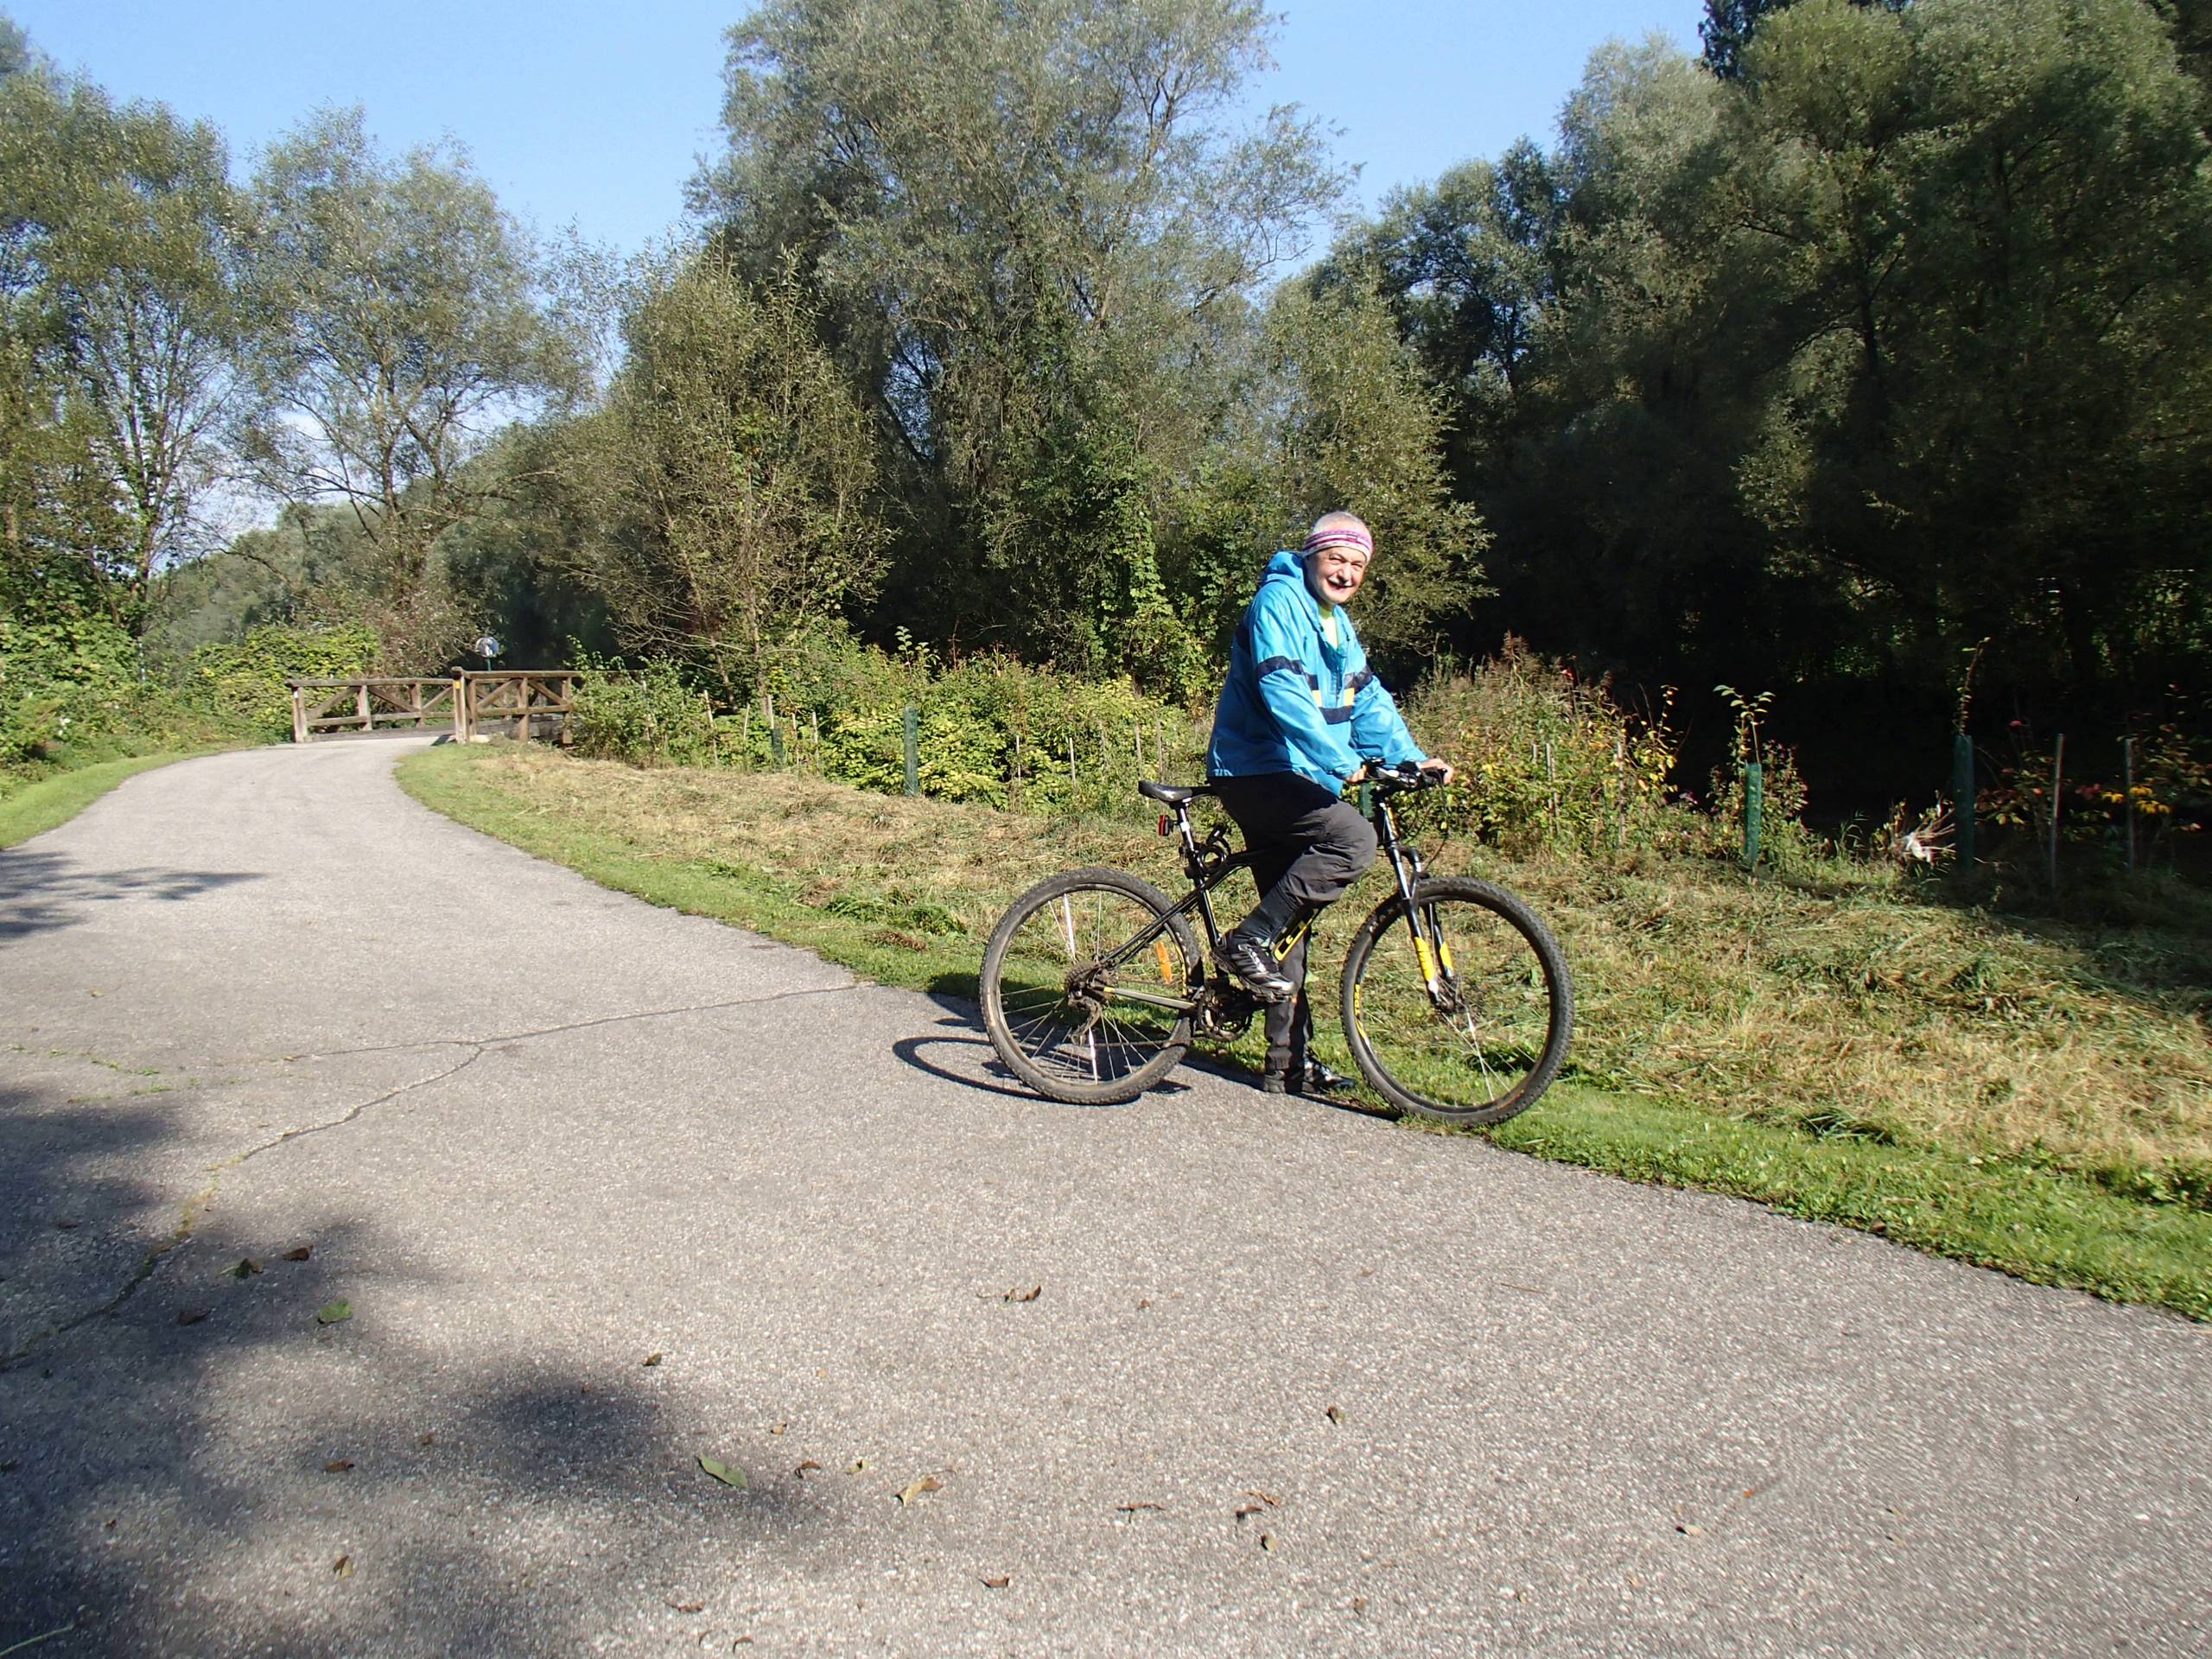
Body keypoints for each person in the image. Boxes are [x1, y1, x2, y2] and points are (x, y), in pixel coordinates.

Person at [1205, 512, 1454, 1096]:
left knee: (1290, 920)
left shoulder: (1337, 625)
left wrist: (1410, 758)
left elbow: (1368, 703)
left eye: (1357, 564)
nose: (1345, 572)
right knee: (1353, 839)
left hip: (1298, 775)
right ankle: (1244, 942)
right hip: (1256, 769)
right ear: (1313, 556)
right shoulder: (1279, 603)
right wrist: (1345, 764)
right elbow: (1282, 691)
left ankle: (1287, 1066)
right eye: (1337, 558)